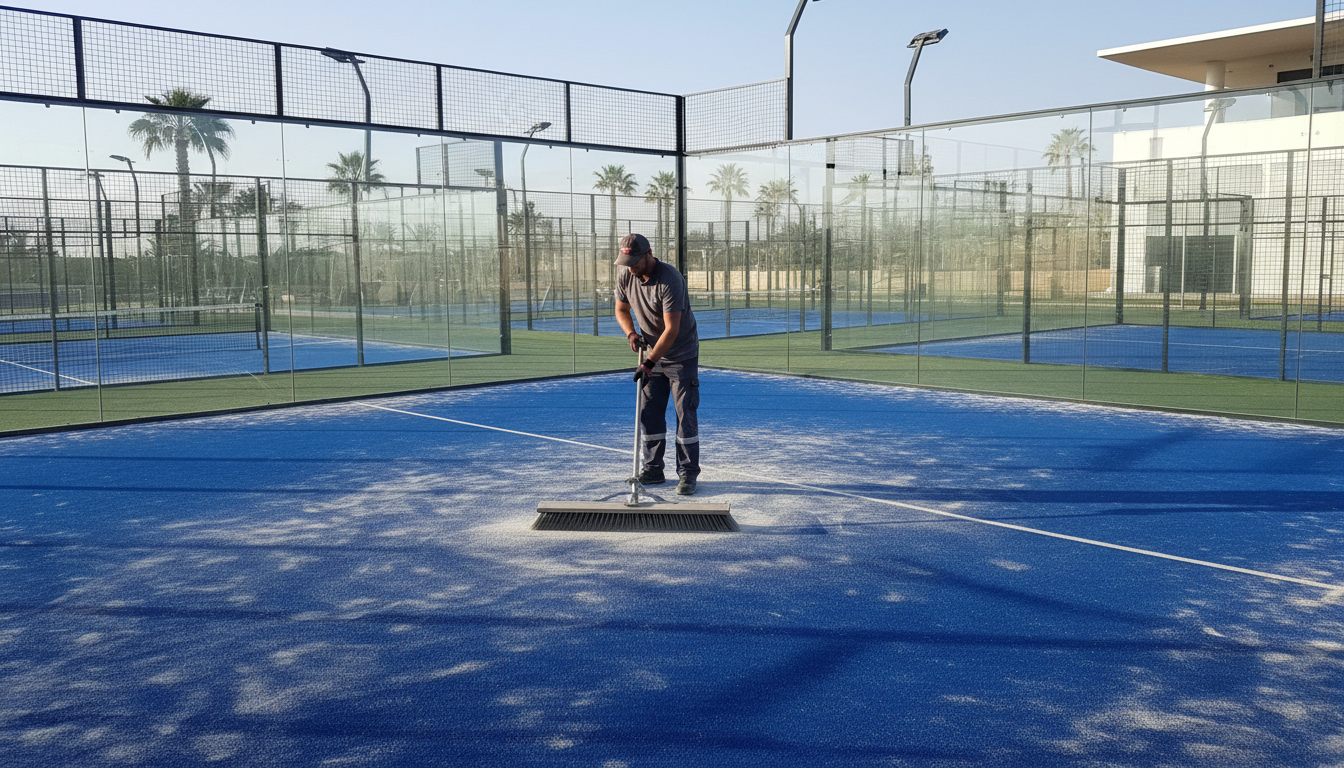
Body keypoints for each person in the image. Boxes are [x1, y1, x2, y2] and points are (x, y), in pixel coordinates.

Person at [613, 233, 701, 496]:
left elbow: (672, 329)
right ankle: (653, 469)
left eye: (635, 261)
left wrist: (649, 363)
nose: (631, 266)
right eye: (626, 261)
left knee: (685, 415)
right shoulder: (626, 274)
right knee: (649, 412)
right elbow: (621, 310)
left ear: (649, 255)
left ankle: (687, 474)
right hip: (651, 352)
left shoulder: (670, 279)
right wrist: (631, 333)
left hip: (680, 354)